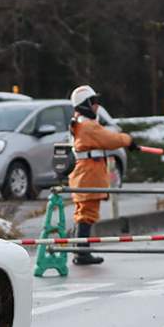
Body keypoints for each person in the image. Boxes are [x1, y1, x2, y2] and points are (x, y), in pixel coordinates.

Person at [67, 85, 132, 266]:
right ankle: (82, 252)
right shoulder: (88, 126)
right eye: (93, 102)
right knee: (87, 213)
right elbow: (110, 139)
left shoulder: (79, 123)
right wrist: (129, 140)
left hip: (84, 173)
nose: (97, 106)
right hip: (88, 174)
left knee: (83, 212)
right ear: (85, 104)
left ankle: (81, 249)